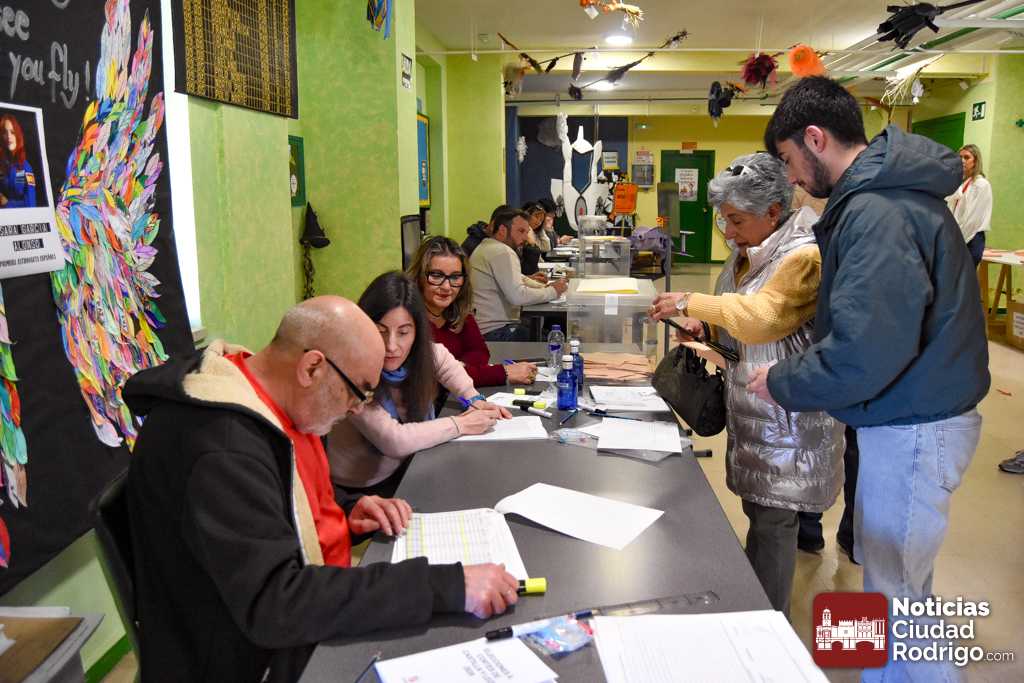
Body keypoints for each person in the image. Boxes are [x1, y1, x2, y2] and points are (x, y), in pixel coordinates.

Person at [124, 296, 519, 682]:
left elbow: (281, 495)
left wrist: (348, 508)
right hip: (252, 657)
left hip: (291, 616)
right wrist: (444, 586)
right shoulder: (223, 448)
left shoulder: (264, 392)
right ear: (312, 367)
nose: (356, 408)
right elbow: (277, 604)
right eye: (359, 391)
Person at [753, 76, 989, 682]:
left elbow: (865, 349)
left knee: (900, 600)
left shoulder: (877, 210)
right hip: (913, 412)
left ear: (815, 137)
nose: (794, 179)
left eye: (789, 161)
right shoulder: (882, 198)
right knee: (899, 584)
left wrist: (781, 381)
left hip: (915, 423)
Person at [649, 153, 844, 616]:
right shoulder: (748, 254)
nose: (729, 232)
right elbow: (737, 322)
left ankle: (766, 627)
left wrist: (691, 299)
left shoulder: (804, 256)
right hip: (758, 413)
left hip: (790, 422)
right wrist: (706, 328)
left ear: (773, 212)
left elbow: (766, 318)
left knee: (774, 525)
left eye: (737, 220)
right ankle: (758, 607)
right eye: (724, 222)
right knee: (761, 518)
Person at [327, 272, 512, 498]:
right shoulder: (350, 373)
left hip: (410, 466)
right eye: (380, 331)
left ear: (417, 332)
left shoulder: (422, 352)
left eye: (403, 332)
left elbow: (444, 361)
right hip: (363, 489)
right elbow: (394, 440)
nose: (392, 346)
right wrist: (461, 424)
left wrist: (474, 400)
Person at [408, 236, 538, 386]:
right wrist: (504, 372)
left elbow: (480, 352)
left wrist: (458, 370)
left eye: (455, 277)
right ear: (419, 276)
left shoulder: (457, 309)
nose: (446, 287)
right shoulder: (407, 320)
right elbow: (433, 378)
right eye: (436, 275)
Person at [470, 207, 568, 341]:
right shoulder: (502, 251)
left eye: (526, 232)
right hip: (497, 332)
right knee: (557, 342)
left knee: (547, 335)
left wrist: (536, 284)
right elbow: (517, 296)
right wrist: (553, 291)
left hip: (484, 330)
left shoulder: (486, 247)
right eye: (520, 231)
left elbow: (513, 278)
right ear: (503, 230)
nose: (525, 238)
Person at [946, 143, 992, 267]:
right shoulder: (960, 183)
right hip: (957, 236)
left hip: (970, 238)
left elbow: (972, 220)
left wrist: (957, 241)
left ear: (976, 161)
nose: (962, 161)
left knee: (963, 282)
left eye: (966, 157)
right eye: (959, 157)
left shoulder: (981, 184)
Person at [0, 114, 37, 209]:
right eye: (5, 132)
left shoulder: (25, 167)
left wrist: (7, 204)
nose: (8, 136)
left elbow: (31, 204)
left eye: (12, 132)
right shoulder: (2, 164)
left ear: (18, 136)